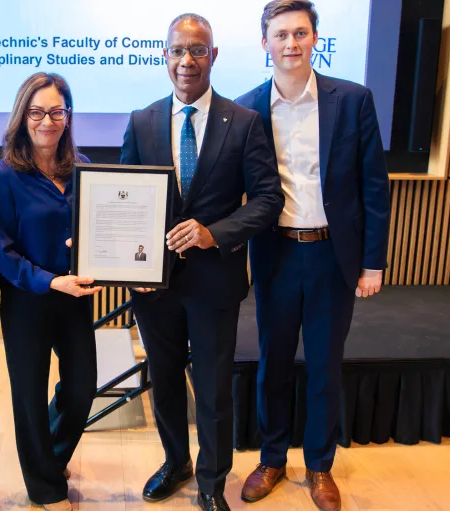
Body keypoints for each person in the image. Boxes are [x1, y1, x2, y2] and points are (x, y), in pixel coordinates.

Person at [120, 13, 284, 511]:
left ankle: (212, 483)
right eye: (176, 51)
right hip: (155, 285)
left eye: (197, 50)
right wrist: (131, 269)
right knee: (165, 380)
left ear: (213, 56)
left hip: (215, 280)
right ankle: (176, 463)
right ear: (164, 56)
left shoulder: (245, 122)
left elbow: (267, 199)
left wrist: (215, 234)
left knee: (213, 389)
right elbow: (125, 202)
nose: (186, 60)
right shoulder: (142, 120)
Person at [234, 2, 390, 510]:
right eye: (280, 34)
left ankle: (320, 466)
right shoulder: (246, 108)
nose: (291, 43)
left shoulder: (352, 100)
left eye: (301, 32)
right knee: (272, 364)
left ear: (316, 37)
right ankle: (272, 458)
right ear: (264, 43)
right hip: (276, 252)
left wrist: (373, 262)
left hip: (332, 256)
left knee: (325, 366)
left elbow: (373, 187)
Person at [0, 72, 100, 511]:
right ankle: (46, 488)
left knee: (81, 390)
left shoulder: (84, 169)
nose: (47, 120)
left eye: (56, 111)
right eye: (37, 112)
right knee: (29, 397)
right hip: (27, 301)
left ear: (68, 116)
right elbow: (2, 250)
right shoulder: (5, 176)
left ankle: (48, 457)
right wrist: (49, 280)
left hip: (74, 301)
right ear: (23, 116)